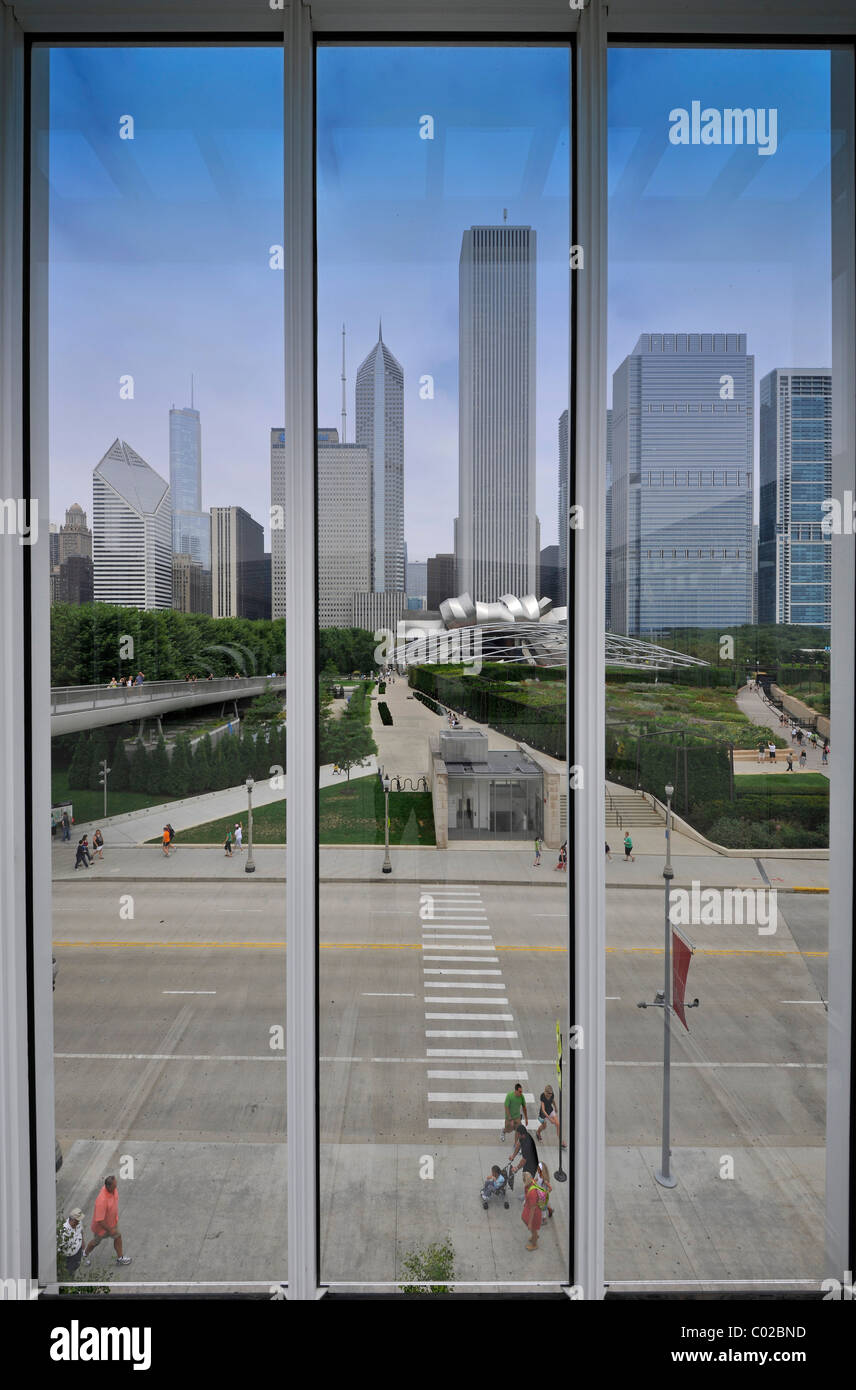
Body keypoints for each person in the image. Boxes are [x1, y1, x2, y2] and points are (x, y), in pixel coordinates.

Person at [82, 1175, 131, 1266]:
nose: (116, 1187)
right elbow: (100, 1220)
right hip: (102, 1228)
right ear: (108, 1186)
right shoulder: (101, 1200)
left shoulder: (113, 1190)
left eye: (116, 1185)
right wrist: (110, 1230)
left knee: (118, 1237)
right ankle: (84, 1254)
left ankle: (120, 1258)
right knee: (95, 1242)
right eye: (114, 1186)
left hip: (112, 1223)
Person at [58, 1207, 85, 1274]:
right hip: (69, 1257)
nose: (79, 1222)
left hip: (78, 1251)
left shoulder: (79, 1222)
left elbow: (81, 1231)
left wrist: (83, 1242)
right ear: (72, 1220)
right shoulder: (64, 1231)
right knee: (69, 1272)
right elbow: (59, 1248)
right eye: (77, 1220)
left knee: (76, 1265)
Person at [520, 1171, 543, 1251]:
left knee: (533, 1228)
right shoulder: (532, 1182)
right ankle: (535, 1235)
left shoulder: (532, 1193)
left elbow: (533, 1209)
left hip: (534, 1212)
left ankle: (534, 1244)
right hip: (529, 1207)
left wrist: (529, 1223)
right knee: (524, 1218)